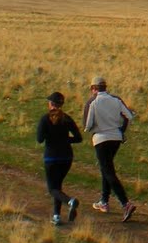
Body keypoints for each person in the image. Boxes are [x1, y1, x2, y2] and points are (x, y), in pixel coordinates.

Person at [82, 75, 137, 221]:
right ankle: (104, 201)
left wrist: (97, 127)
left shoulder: (92, 102)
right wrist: (119, 127)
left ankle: (125, 203)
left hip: (100, 139)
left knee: (107, 170)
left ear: (93, 88)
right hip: (116, 138)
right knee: (106, 168)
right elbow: (130, 116)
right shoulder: (116, 100)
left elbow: (87, 127)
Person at [37, 91, 83, 226]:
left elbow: (39, 139)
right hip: (67, 157)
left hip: (51, 157)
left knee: (52, 189)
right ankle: (56, 216)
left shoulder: (45, 119)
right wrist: (65, 139)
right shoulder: (67, 118)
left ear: (51, 104)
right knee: (57, 187)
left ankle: (70, 201)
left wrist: (52, 138)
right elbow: (78, 138)